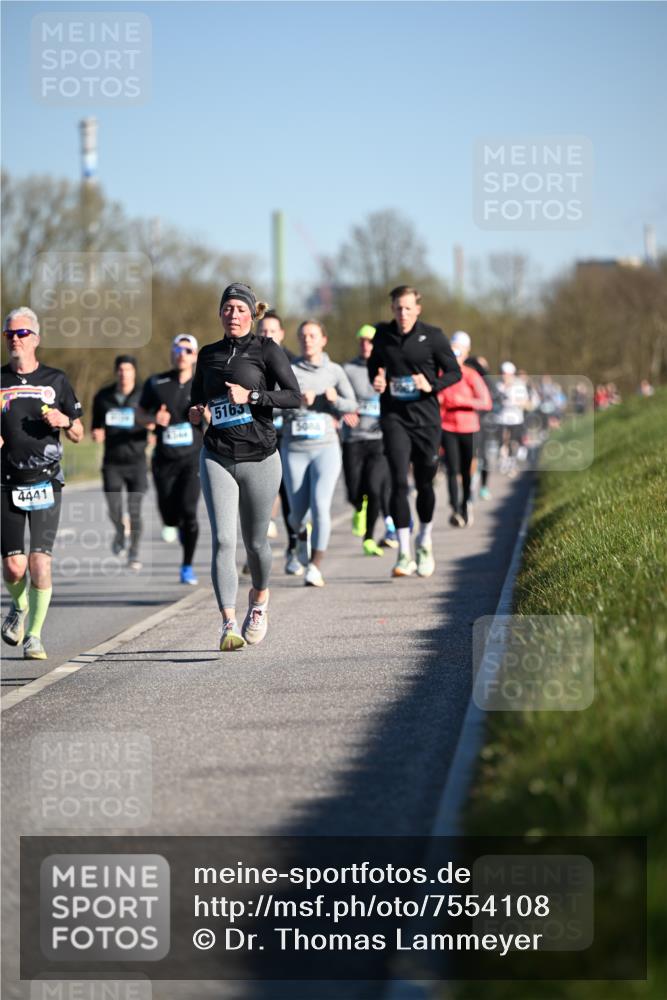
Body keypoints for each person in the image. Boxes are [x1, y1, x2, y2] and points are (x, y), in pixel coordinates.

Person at [189, 283, 300, 650]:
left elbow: (293, 396)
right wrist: (195, 413)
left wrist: (251, 395)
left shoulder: (266, 349)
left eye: (239, 309)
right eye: (227, 308)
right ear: (220, 313)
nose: (232, 315)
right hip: (217, 455)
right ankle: (228, 623)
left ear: (252, 314)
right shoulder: (207, 354)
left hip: (261, 457)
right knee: (223, 540)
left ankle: (260, 599)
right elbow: (197, 400)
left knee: (255, 543)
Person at [1, 307, 84, 659]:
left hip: (47, 481)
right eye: (9, 334)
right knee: (13, 566)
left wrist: (66, 421)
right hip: (7, 482)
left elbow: (79, 433)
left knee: (39, 562)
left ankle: (34, 636)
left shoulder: (56, 380)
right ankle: (20, 606)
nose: (14, 339)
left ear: (35, 338)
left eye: (21, 333)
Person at [368, 286, 461, 578]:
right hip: (394, 417)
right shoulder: (383, 335)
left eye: (408, 308)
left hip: (426, 420)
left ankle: (425, 541)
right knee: (398, 481)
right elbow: (374, 366)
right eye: (398, 308)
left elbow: (454, 372)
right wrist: (377, 380)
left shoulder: (433, 336)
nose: (403, 313)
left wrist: (431, 385)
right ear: (392, 309)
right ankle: (404, 553)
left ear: (417, 309)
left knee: (424, 483)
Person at [281, 319, 357, 587]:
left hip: (326, 448)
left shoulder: (334, 371)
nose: (307, 340)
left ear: (323, 340)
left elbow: (352, 405)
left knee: (320, 505)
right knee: (297, 515)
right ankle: (301, 538)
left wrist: (334, 400)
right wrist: (296, 401)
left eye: (313, 335)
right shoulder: (288, 371)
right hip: (294, 449)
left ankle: (315, 565)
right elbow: (272, 406)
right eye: (303, 336)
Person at [137, 335, 203, 584]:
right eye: (178, 349)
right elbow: (139, 414)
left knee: (189, 511)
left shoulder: (203, 383)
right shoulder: (156, 383)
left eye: (188, 350)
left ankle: (187, 566)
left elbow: (215, 414)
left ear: (195, 356)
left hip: (193, 458)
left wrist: (206, 415)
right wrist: (153, 419)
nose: (182, 354)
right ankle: (178, 526)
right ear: (172, 353)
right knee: (170, 517)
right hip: (164, 460)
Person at [341, 324, 397, 556]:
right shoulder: (347, 369)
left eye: (370, 341)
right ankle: (358, 507)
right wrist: (344, 410)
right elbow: (337, 397)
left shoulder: (388, 368)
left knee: (375, 489)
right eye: (362, 341)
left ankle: (369, 538)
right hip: (353, 439)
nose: (366, 345)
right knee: (354, 491)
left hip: (379, 439)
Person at [91, 355, 148, 570]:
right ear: (116, 372)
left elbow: (155, 420)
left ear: (134, 372)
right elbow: (96, 426)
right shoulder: (103, 397)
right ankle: (119, 530)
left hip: (137, 462)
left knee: (135, 511)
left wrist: (153, 429)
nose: (124, 374)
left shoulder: (144, 394)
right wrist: (96, 433)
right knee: (114, 508)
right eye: (121, 370)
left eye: (128, 370)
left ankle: (134, 552)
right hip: (112, 463)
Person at [255, 309, 301, 573]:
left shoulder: (294, 362)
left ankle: (293, 548)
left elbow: (298, 397)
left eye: (272, 331)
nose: (268, 335)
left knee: (287, 494)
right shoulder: (249, 361)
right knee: (257, 495)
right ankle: (255, 554)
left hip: (286, 436)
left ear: (281, 334)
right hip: (258, 435)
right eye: (263, 331)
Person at [439, 331, 492, 527]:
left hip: (469, 428)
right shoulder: (442, 374)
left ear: (466, 353)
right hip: (447, 426)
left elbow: (486, 402)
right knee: (452, 469)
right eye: (452, 351)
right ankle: (454, 509)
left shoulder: (471, 374)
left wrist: (462, 400)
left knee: (466, 470)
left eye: (459, 352)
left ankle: (465, 504)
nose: (455, 355)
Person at [464, 354, 497, 500]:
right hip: (467, 423)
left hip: (484, 424)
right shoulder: (464, 376)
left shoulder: (486, 381)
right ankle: (469, 488)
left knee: (484, 457)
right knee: (470, 457)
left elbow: (494, 397)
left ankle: (483, 487)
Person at [495, 361, 529, 477]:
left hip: (516, 419)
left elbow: (525, 402)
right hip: (501, 418)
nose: (504, 376)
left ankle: (512, 463)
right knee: (503, 441)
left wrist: (512, 402)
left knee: (513, 442)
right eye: (502, 373)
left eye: (506, 374)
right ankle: (504, 461)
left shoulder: (519, 385)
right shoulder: (498, 385)